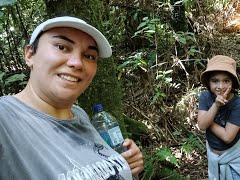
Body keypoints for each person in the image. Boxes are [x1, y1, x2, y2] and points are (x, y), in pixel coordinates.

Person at [0, 16, 144, 180]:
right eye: (62, 47)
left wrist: (125, 165)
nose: (77, 63)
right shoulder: (5, 118)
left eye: (89, 56)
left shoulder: (80, 115)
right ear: (29, 54)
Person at [197, 55, 240, 180]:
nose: (220, 86)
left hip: (235, 157)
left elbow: (228, 137)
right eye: (215, 81)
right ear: (208, 82)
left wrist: (207, 119)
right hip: (214, 156)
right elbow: (201, 126)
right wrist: (216, 105)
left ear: (232, 82)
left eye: (226, 81)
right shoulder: (205, 97)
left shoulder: (239, 104)